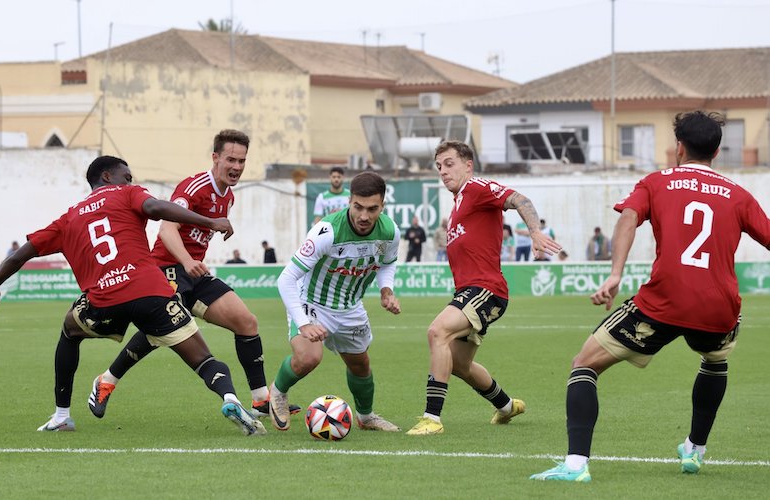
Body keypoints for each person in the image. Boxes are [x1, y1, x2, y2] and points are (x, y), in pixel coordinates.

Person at [530, 111, 770, 482]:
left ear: (678, 148)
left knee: (584, 365)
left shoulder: (657, 182)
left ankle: (576, 465)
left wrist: (615, 275)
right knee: (714, 361)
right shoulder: (739, 195)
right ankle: (695, 448)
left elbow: (628, 217)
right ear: (717, 151)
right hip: (719, 306)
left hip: (664, 300)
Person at [0, 155, 265, 435]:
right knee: (203, 359)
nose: (131, 181)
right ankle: (230, 398)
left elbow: (19, 256)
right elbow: (154, 207)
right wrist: (209, 221)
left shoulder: (67, 219)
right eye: (126, 176)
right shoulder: (128, 193)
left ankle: (62, 416)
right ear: (107, 177)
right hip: (151, 293)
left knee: (69, 331)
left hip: (103, 302)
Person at [89, 130, 298, 423]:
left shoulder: (229, 196)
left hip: (194, 273)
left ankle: (261, 399)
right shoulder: (195, 186)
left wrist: (194, 262)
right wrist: (187, 261)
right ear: (215, 157)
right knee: (158, 333)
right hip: (165, 269)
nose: (236, 167)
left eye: (242, 161)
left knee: (247, 322)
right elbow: (166, 229)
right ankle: (106, 380)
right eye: (230, 159)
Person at [406, 140, 561, 436]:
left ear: (468, 165)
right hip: (471, 291)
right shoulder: (458, 204)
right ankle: (506, 406)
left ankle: (432, 419)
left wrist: (534, 231)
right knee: (459, 364)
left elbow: (519, 199)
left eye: (449, 164)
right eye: (439, 166)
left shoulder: (476, 187)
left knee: (437, 332)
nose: (443, 171)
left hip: (485, 290)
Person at [268, 171, 402, 433]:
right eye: (358, 207)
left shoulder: (390, 231)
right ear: (349, 201)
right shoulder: (327, 231)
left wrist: (387, 290)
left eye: (372, 209)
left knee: (360, 365)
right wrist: (304, 323)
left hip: (350, 306)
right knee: (308, 357)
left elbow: (388, 263)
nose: (364, 216)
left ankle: (366, 417)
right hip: (312, 302)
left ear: (382, 206)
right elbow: (285, 279)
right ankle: (278, 391)